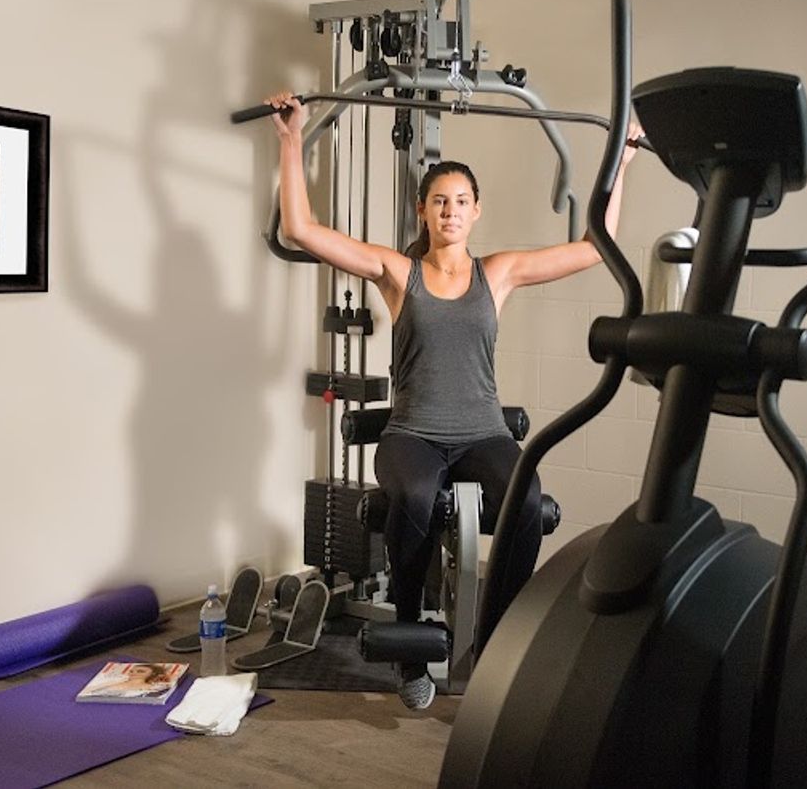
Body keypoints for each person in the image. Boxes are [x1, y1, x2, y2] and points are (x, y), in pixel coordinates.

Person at [265, 91, 642, 710]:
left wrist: (620, 164)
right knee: (412, 496)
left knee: (527, 502)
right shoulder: (396, 272)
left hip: (482, 433)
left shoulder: (500, 273)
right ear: (423, 210)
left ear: (476, 212)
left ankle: (500, 635)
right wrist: (289, 139)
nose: (450, 210)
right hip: (411, 433)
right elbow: (300, 230)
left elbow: (596, 247)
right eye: (439, 200)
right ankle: (410, 643)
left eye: (461, 201)